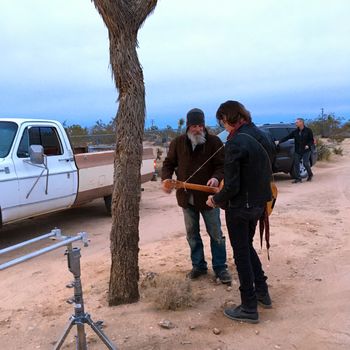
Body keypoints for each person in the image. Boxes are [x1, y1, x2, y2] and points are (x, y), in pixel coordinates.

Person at [206, 100, 275, 324]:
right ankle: (262, 291)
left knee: (241, 254)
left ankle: (248, 307)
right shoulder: (261, 135)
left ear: (229, 118)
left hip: (240, 207)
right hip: (258, 205)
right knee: (246, 247)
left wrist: (216, 199)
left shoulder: (235, 143)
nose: (223, 126)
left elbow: (233, 185)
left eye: (223, 121)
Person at [161, 108, 231, 284]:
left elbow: (222, 165)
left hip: (209, 198)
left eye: (200, 125)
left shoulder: (214, 142)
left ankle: (220, 268)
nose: (197, 129)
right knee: (192, 234)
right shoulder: (177, 143)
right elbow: (168, 163)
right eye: (194, 126)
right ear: (188, 126)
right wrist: (166, 179)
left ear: (204, 125)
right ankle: (198, 266)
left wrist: (216, 178)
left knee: (215, 233)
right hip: (186, 198)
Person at [275, 118, 314, 183]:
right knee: (296, 164)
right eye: (296, 122)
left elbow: (311, 140)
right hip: (297, 150)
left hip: (306, 150)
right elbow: (287, 137)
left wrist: (308, 145)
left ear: (301, 122)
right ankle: (298, 178)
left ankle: (310, 174)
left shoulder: (308, 130)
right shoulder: (295, 131)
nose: (296, 123)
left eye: (297, 122)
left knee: (305, 163)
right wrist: (279, 141)